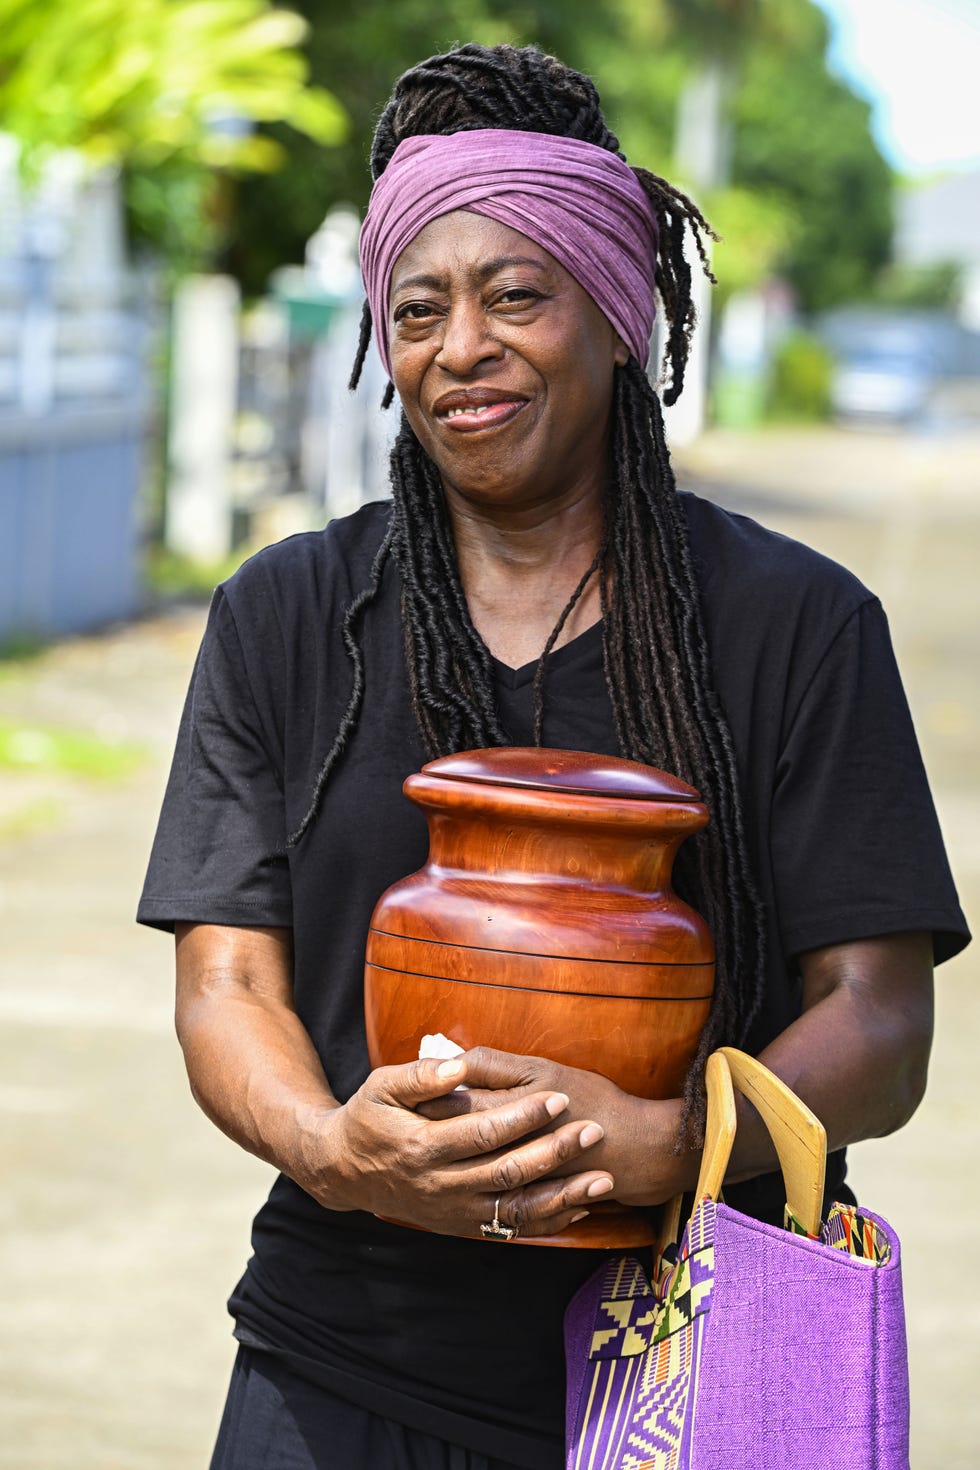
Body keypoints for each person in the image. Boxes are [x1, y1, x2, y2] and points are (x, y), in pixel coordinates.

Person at [138, 41, 969, 1470]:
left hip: (700, 1371)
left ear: (617, 313)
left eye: (516, 295)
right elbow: (226, 980)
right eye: (419, 308)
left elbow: (881, 1018)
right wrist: (335, 1146)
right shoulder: (283, 615)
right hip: (342, 1366)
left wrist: (662, 1146)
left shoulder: (795, 627)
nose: (462, 346)